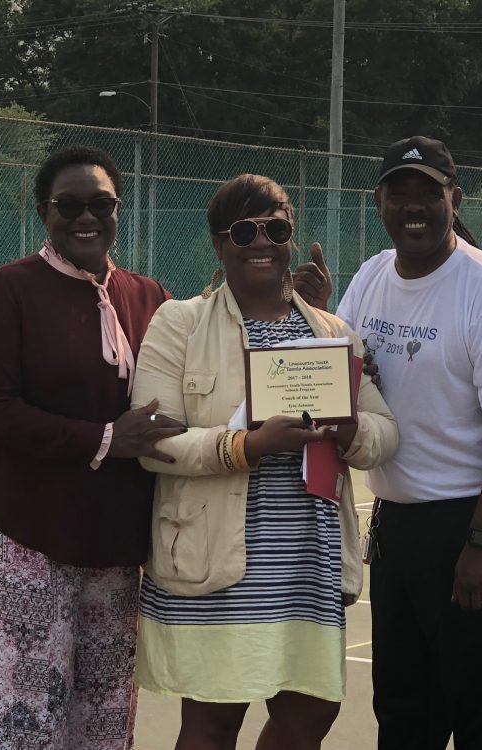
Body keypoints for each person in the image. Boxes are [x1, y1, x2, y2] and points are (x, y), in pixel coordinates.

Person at [129, 173, 399, 750]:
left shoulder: (331, 332)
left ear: (290, 239)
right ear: (218, 244)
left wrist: (350, 431)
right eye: (243, 231)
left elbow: (385, 434)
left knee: (310, 717)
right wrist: (246, 446)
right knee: (211, 725)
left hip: (308, 558)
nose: (260, 242)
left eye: (275, 229)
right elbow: (154, 442)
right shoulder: (179, 323)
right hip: (217, 560)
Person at [0, 145, 185, 750]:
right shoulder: (7, 291)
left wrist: (306, 325)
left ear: (118, 210)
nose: (87, 217)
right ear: (44, 213)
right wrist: (107, 439)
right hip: (22, 534)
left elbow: (196, 386)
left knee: (106, 716)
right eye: (70, 205)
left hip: (112, 542)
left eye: (101, 204)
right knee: (21, 717)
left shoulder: (148, 297)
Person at [332, 136, 482, 750]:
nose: (414, 206)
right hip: (397, 523)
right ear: (379, 201)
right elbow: (342, 364)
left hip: (468, 524)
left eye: (430, 192)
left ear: (455, 198)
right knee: (402, 710)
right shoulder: (372, 275)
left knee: (478, 712)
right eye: (400, 192)